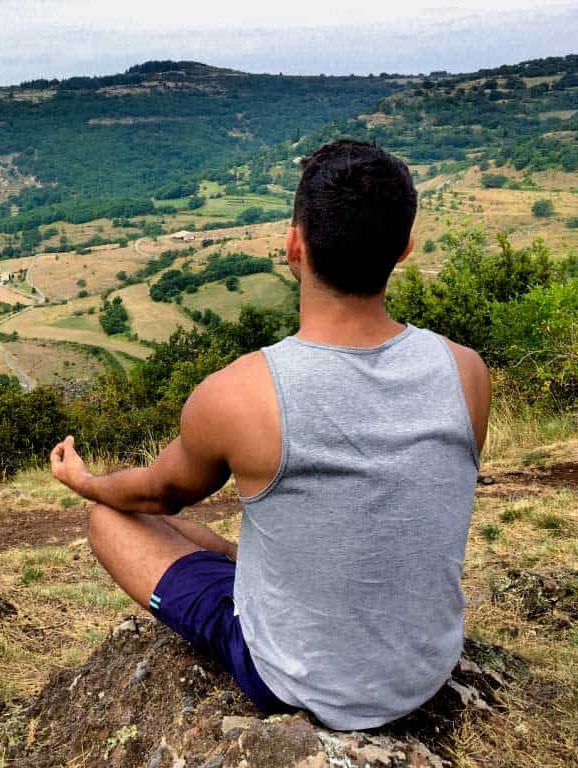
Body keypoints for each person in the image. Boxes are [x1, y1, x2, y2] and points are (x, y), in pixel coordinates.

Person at [50, 139, 490, 731]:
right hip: (425, 669)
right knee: (226, 541)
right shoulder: (465, 372)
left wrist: (84, 480)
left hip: (293, 680)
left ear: (294, 246)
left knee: (108, 518)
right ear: (404, 249)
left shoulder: (241, 392)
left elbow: (157, 495)